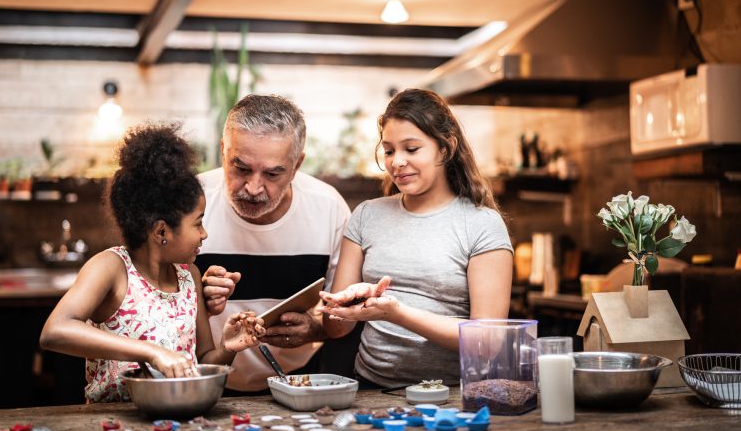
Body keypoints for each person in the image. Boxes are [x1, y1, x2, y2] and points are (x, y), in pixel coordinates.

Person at [40, 123, 265, 402]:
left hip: (177, 422)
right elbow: (54, 331)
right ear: (161, 232)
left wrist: (228, 347)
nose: (204, 234)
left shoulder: (189, 276)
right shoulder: (112, 269)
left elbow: (204, 357)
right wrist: (151, 351)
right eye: (198, 223)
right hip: (111, 425)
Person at [320, 88, 513, 388]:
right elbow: (336, 330)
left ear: (445, 148)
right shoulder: (367, 216)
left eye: (411, 149)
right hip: (372, 391)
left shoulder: (482, 225)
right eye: (389, 150)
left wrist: (396, 312)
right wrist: (347, 304)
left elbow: (487, 342)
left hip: (453, 396)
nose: (396, 162)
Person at [196, 94, 352, 393]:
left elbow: (341, 307)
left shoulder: (328, 208)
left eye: (272, 173)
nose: (253, 188)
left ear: (296, 166)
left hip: (299, 379)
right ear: (222, 151)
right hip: (199, 379)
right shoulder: (191, 200)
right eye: (240, 168)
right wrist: (196, 298)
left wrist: (316, 326)